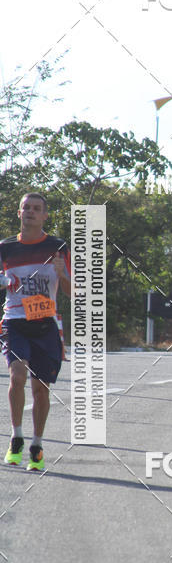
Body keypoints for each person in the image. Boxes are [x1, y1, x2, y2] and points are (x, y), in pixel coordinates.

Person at [1, 192, 71, 471]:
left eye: (36, 208)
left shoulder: (58, 247)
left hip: (44, 325)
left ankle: (37, 445)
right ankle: (16, 437)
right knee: (17, 376)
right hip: (15, 321)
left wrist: (63, 274)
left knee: (41, 390)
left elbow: (74, 291)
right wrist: (6, 281)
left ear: (44, 215)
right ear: (19, 213)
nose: (30, 212)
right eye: (26, 208)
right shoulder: (5, 248)